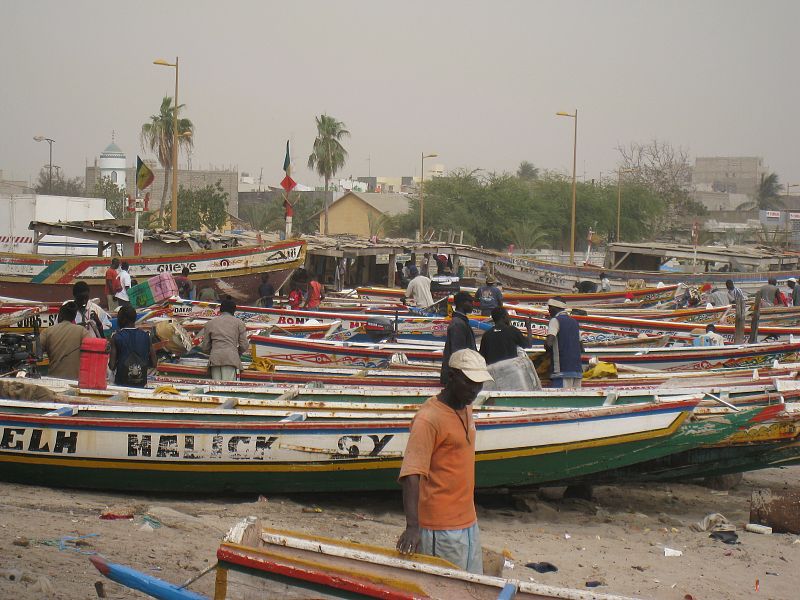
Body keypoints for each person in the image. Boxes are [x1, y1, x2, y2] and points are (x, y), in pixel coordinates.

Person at [396, 348, 493, 574]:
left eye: (478, 384)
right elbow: (411, 474)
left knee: (469, 585)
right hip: (441, 528)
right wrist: (412, 527)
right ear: (451, 377)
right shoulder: (429, 419)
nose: (475, 390)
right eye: (469, 383)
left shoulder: (466, 406)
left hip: (467, 521)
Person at [198, 297, 248, 382]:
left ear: (220, 310)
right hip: (231, 359)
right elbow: (244, 345)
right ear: (234, 311)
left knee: (215, 388)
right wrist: (236, 352)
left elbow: (205, 347)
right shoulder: (239, 323)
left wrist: (215, 351)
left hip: (215, 359)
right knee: (228, 388)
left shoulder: (210, 323)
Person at [109, 305, 157, 387]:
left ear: (122, 319)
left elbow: (112, 366)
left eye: (118, 318)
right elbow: (154, 363)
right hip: (141, 384)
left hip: (121, 384)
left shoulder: (116, 337)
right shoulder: (146, 336)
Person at [39, 301, 89, 379]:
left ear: (60, 315)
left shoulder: (47, 331)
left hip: (53, 379)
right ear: (74, 317)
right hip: (76, 381)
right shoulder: (82, 331)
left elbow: (35, 352)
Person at [545, 297, 583, 389]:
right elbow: (581, 347)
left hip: (562, 371)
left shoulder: (555, 321)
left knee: (560, 400)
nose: (548, 310)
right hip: (577, 371)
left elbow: (549, 344)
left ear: (555, 307)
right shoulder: (574, 322)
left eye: (549, 307)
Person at [440, 291, 476, 384]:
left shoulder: (460, 322)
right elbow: (458, 354)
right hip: (456, 378)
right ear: (462, 303)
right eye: (470, 302)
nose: (472, 304)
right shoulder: (458, 324)